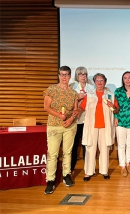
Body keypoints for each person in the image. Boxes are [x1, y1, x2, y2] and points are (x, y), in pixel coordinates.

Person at [43, 65, 79, 194]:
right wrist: (59, 116)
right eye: (62, 74)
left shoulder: (73, 93)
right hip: (54, 126)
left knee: (67, 152)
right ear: (59, 76)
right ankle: (50, 181)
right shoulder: (51, 89)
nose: (64, 77)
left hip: (70, 126)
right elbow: (46, 107)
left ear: (70, 76)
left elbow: (76, 110)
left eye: (66, 74)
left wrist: (70, 119)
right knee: (53, 154)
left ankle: (66, 175)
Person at [79, 73, 119, 182]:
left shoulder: (110, 94)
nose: (100, 82)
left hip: (105, 126)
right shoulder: (90, 94)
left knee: (104, 149)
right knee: (90, 148)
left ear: (105, 82)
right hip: (91, 126)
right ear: (95, 82)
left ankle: (104, 171)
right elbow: (82, 107)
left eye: (101, 80)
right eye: (97, 80)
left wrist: (113, 107)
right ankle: (88, 172)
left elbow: (116, 110)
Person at [69, 66, 94, 174]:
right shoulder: (72, 87)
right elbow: (68, 103)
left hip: (87, 120)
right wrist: (78, 97)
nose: (83, 76)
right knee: (73, 146)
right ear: (77, 75)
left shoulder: (91, 87)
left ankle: (88, 168)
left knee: (87, 145)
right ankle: (71, 168)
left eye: (85, 74)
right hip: (75, 120)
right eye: (80, 74)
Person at [114, 71, 130, 177]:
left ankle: (128, 163)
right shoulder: (118, 91)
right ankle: (122, 166)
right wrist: (115, 117)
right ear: (122, 80)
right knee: (121, 144)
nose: (127, 80)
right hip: (120, 121)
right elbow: (115, 106)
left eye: (129, 78)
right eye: (125, 78)